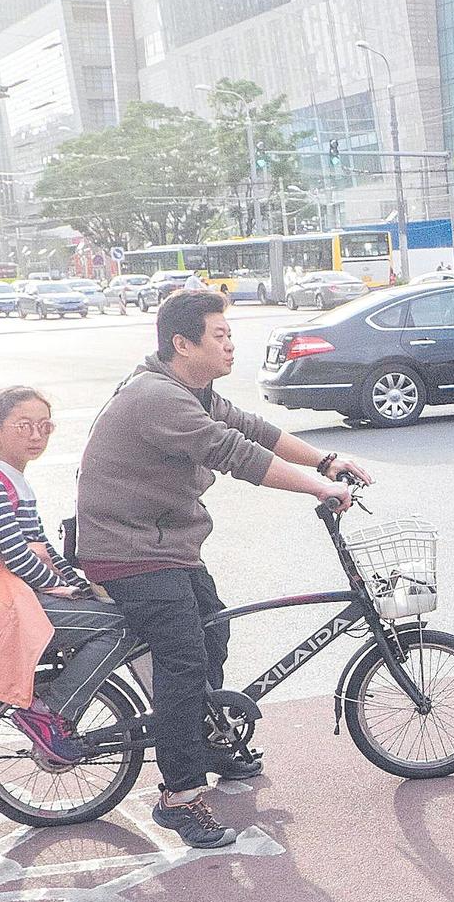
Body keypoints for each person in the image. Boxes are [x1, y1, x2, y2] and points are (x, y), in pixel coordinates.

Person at [75, 290, 373, 849]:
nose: (231, 344)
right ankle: (179, 797)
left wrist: (325, 459)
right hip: (128, 551)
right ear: (182, 344)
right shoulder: (157, 399)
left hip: (162, 545)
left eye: (230, 334)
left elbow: (253, 428)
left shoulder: (191, 391)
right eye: (220, 335)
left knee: (214, 627)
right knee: (183, 659)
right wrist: (320, 486)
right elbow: (234, 454)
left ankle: (207, 740)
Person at [0, 386, 129, 762]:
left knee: (105, 614)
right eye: (23, 426)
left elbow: (43, 546)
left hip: (16, 597)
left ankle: (54, 707)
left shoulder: (13, 480)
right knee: (120, 627)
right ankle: (51, 712)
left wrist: (76, 584)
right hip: (2, 603)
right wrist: (56, 586)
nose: (36, 435)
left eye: (44, 426)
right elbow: (17, 554)